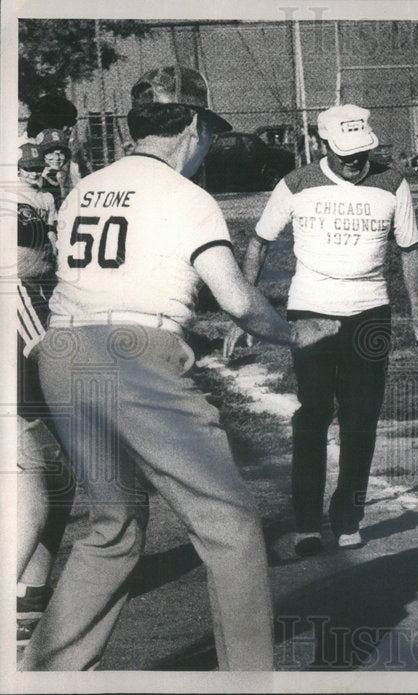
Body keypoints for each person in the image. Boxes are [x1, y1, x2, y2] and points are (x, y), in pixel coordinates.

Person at [20, 65, 341, 671]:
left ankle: (45, 675)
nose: (208, 146)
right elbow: (238, 300)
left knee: (112, 527)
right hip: (131, 361)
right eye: (209, 133)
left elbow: (105, 283)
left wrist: (172, 332)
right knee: (231, 527)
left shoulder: (86, 189)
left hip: (62, 355)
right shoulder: (187, 197)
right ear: (191, 125)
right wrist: (295, 332)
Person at [224, 104, 418, 557]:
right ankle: (307, 522)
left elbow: (411, 249)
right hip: (311, 312)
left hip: (371, 314)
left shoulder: (392, 183)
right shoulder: (297, 183)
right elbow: (259, 243)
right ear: (324, 145)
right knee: (313, 414)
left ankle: (348, 516)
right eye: (344, 152)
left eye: (362, 151)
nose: (354, 160)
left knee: (361, 419)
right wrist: (244, 313)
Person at [12, 143, 76, 647]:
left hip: (37, 305)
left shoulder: (43, 196)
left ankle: (30, 595)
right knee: (34, 490)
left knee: (57, 481)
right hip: (19, 316)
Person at [36, 128, 74, 208]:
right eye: (50, 153)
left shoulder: (63, 177)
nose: (56, 158)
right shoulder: (35, 181)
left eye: (61, 153)